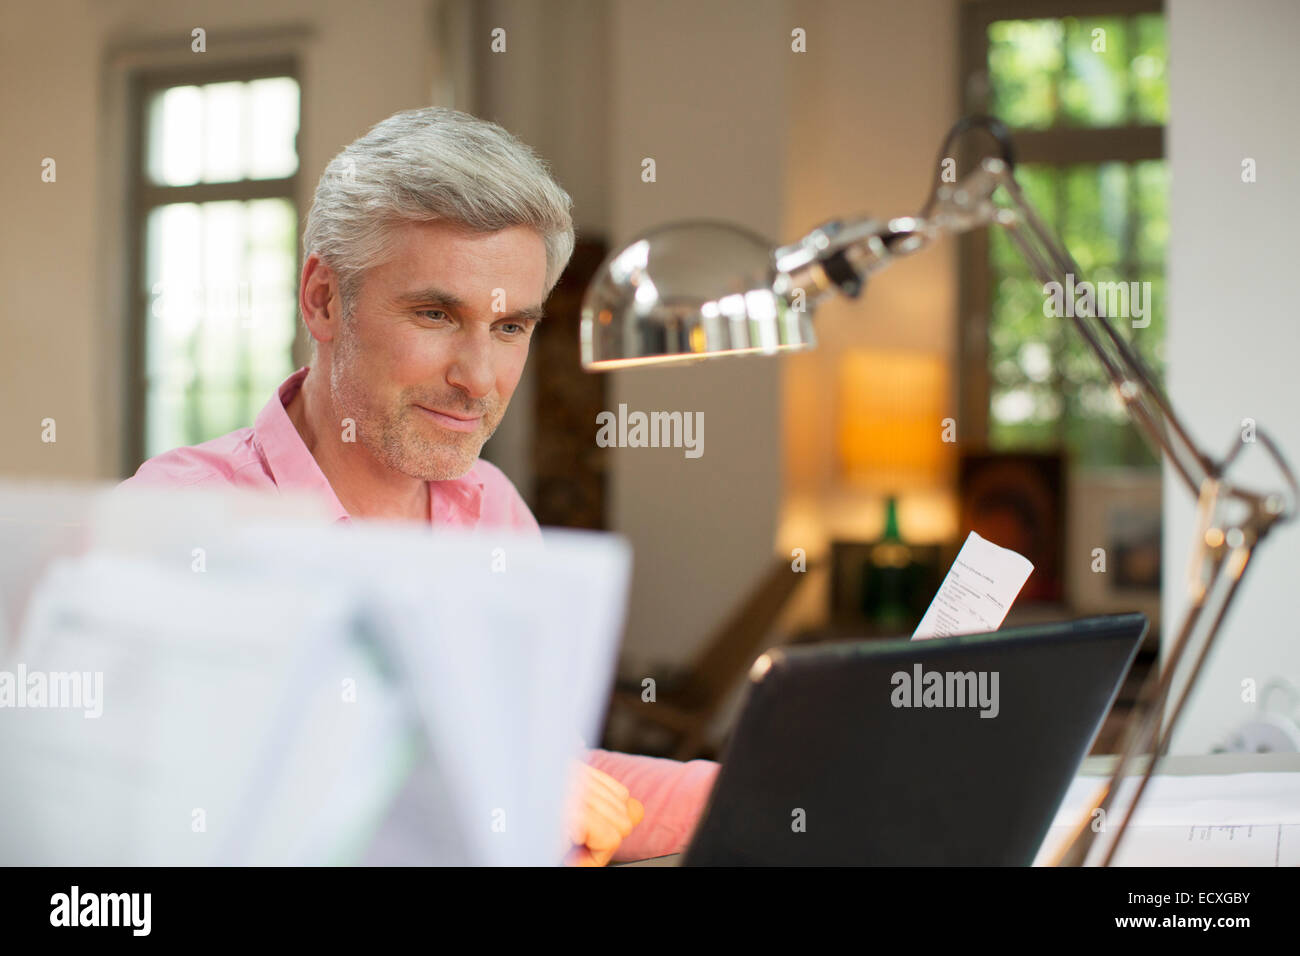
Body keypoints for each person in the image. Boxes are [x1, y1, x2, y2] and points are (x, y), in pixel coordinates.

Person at [121, 107, 719, 865]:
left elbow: (565, 784)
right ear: (324, 300)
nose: (478, 379)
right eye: (437, 314)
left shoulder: (491, 509)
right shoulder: (185, 517)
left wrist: (784, 792)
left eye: (510, 329)